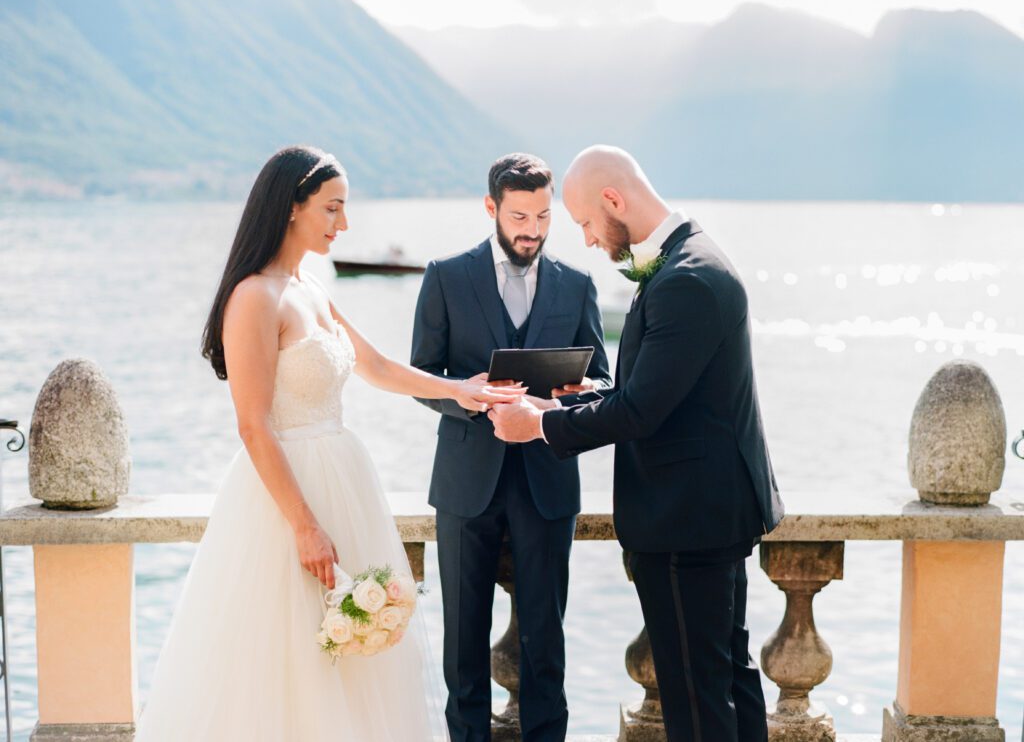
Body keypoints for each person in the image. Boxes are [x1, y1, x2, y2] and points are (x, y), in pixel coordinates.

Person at [134, 146, 522, 741]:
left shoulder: (310, 287)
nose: (344, 225)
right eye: (332, 208)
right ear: (291, 207)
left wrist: (462, 391)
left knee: (352, 664)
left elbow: (377, 366)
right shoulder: (254, 298)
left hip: (344, 482)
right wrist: (305, 526)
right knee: (284, 663)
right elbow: (253, 425)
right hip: (285, 502)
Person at [490, 145, 785, 742]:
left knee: (697, 697)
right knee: (727, 677)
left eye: (585, 223)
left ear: (614, 201)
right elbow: (654, 394)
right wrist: (559, 403)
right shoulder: (689, 260)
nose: (590, 241)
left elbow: (642, 410)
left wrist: (539, 425)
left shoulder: (687, 281)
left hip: (688, 521)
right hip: (709, 512)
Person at [410, 153, 612, 742]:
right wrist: (467, 397)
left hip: (547, 482)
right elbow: (423, 376)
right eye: (520, 215)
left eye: (544, 216)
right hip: (466, 483)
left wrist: (577, 393)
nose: (533, 229)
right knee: (463, 642)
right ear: (491, 207)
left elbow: (603, 381)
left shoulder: (577, 286)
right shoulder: (445, 276)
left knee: (545, 640)